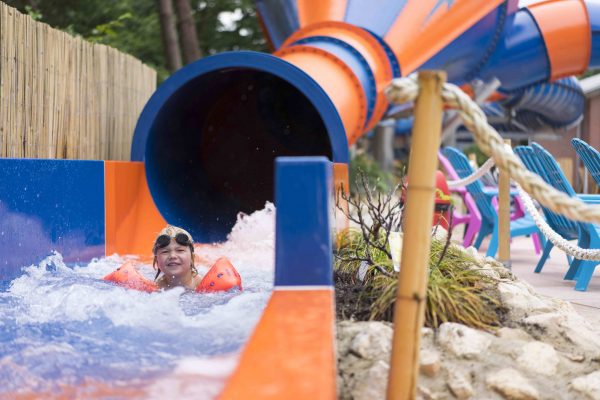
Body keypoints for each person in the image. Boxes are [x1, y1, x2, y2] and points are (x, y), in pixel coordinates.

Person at [152, 225, 202, 290]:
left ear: (192, 258)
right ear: (157, 260)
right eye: (165, 252)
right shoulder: (156, 288)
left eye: (180, 250)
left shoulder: (202, 284)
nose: (172, 256)